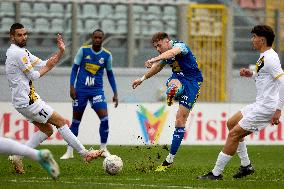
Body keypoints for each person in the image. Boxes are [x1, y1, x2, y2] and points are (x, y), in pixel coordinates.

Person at [5, 23, 102, 174]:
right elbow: (34, 75)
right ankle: (85, 154)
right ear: (12, 37)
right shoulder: (18, 54)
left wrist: (61, 52)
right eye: (19, 35)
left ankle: (18, 155)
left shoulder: (21, 51)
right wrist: (49, 67)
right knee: (61, 122)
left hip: (23, 100)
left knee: (47, 130)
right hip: (28, 101)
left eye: (25, 34)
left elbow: (43, 63)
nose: (23, 37)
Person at [198, 25, 284, 180]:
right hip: (259, 103)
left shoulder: (270, 58)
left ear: (262, 40)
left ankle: (216, 173)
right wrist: (251, 74)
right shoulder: (265, 56)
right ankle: (246, 166)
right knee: (231, 123)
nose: (252, 40)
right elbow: (265, 77)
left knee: (234, 134)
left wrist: (278, 110)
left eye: (254, 37)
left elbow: (282, 82)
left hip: (266, 107)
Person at [132, 32, 203, 171]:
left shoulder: (180, 46)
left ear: (167, 41)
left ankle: (169, 159)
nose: (158, 49)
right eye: (155, 47)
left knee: (180, 120)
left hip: (193, 83)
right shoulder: (165, 54)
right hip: (178, 79)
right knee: (174, 84)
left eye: (159, 45)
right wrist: (141, 79)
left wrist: (153, 59)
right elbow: (158, 67)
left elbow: (171, 53)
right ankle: (174, 92)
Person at [60, 29, 118, 160]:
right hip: (81, 90)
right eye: (95, 37)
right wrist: (71, 86)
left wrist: (115, 92)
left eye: (100, 38)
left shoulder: (107, 55)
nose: (97, 40)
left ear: (102, 39)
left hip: (97, 91)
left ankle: (103, 148)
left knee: (105, 119)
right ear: (92, 38)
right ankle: (69, 151)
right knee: (76, 122)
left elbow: (110, 74)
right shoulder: (83, 50)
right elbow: (74, 68)